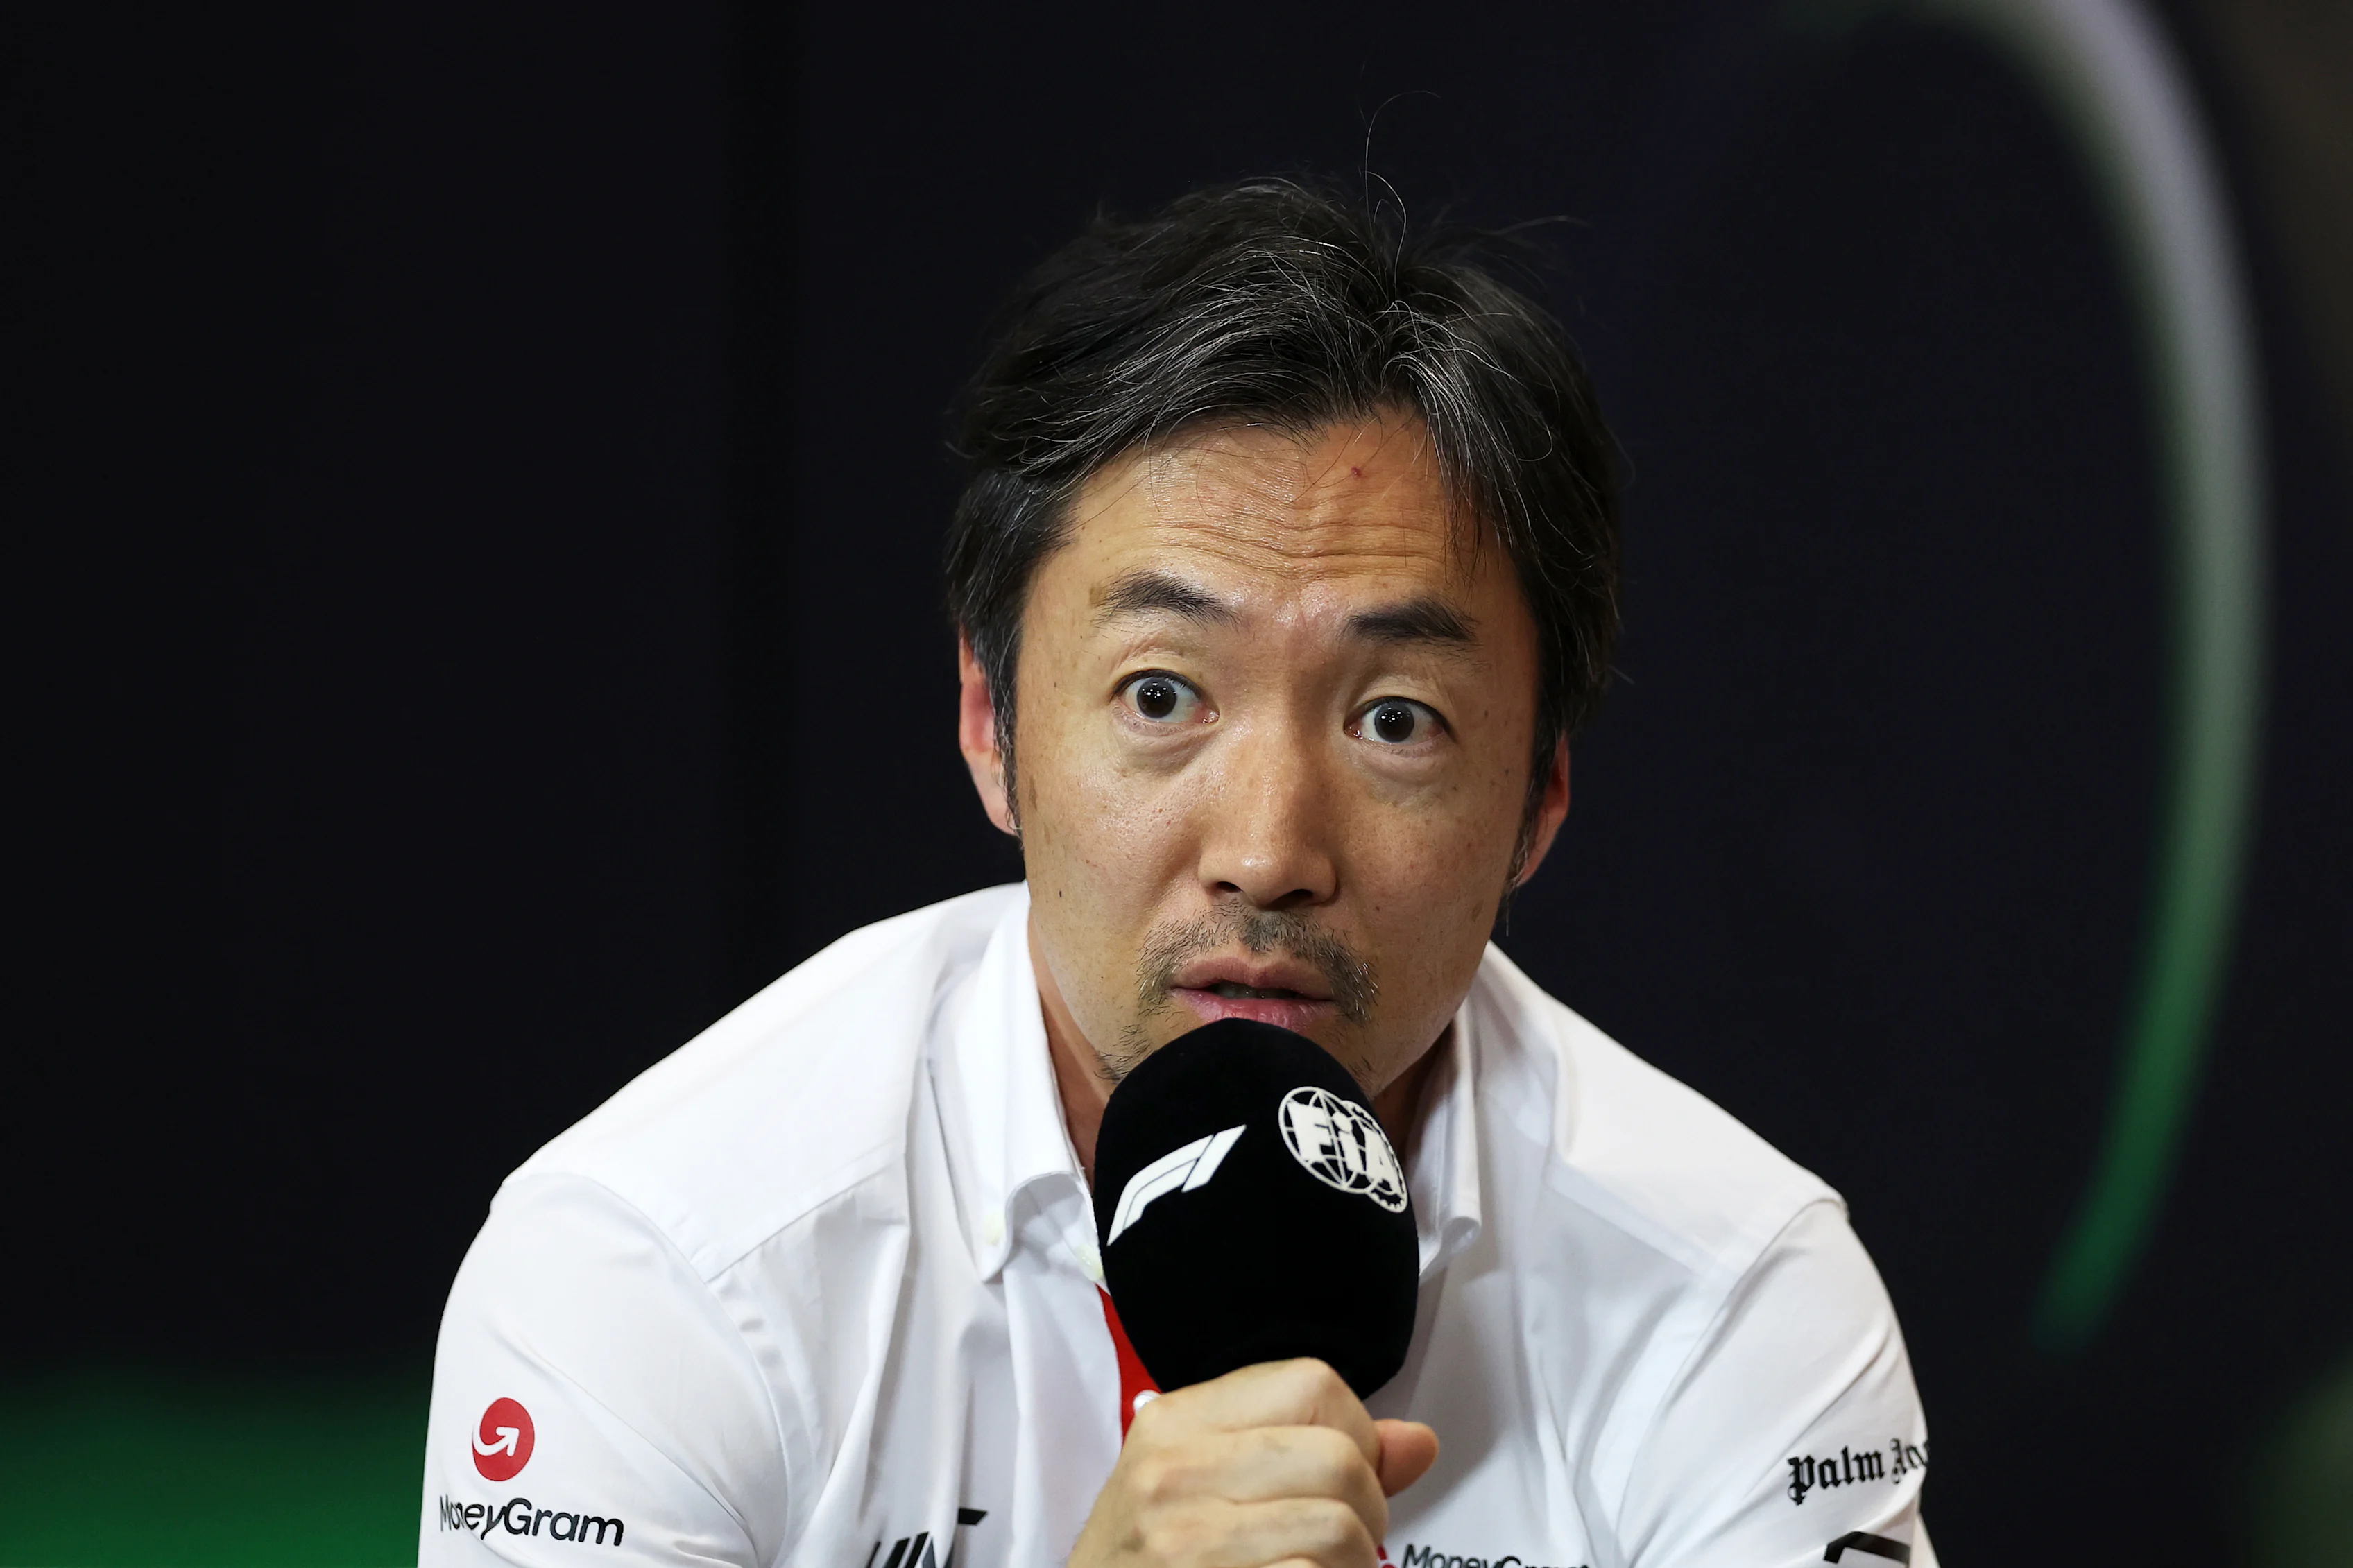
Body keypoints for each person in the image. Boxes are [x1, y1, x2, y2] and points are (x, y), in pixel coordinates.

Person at [419, 178, 1935, 1568]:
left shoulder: (1732, 1289)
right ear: (989, 724)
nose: (1269, 850)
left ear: (1539, 799)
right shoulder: (662, 1259)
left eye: (1394, 719)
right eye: (1161, 695)